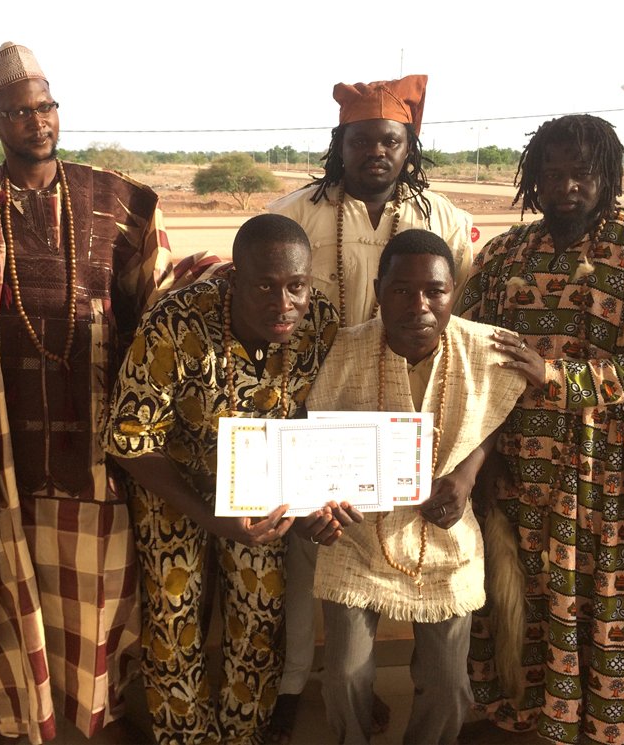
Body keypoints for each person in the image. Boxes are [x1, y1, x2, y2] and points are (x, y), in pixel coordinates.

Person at [0, 42, 191, 743]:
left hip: (101, 457)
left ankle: (98, 722)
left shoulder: (122, 201)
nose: (37, 122)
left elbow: (160, 306)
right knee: (11, 594)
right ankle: (23, 720)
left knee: (102, 605)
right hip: (8, 458)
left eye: (46, 107)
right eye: (19, 112)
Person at [458, 114, 624, 744]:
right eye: (551, 173)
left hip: (611, 472)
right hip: (515, 466)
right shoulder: (505, 256)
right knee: (524, 594)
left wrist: (558, 377)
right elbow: (465, 342)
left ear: (609, 176)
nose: (564, 187)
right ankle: (525, 716)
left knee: (601, 597)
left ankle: (599, 724)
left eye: (581, 173)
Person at [265, 74, 475, 741]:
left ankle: (412, 684)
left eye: (391, 140)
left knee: (415, 545)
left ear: (409, 146)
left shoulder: (442, 217)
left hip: (419, 409)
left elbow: (460, 308)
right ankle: (297, 681)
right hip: (325, 401)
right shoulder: (299, 211)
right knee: (316, 551)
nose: (376, 152)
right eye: (361, 140)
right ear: (341, 144)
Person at [103, 213, 339, 744]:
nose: (283, 304)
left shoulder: (320, 322)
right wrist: (211, 517)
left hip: (263, 486)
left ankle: (243, 733)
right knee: (174, 613)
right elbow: (129, 439)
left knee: (261, 610)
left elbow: (318, 419)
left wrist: (309, 502)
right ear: (234, 279)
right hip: (173, 479)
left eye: (296, 286)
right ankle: (185, 737)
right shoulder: (177, 322)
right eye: (264, 286)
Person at [304, 229, 524, 745]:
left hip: (448, 537)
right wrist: (318, 504)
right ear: (378, 291)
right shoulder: (342, 351)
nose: (419, 305)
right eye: (402, 290)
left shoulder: (484, 349)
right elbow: (310, 441)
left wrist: (466, 476)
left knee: (449, 686)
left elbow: (496, 416)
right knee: (344, 675)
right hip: (357, 539)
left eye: (435, 291)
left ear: (453, 292)